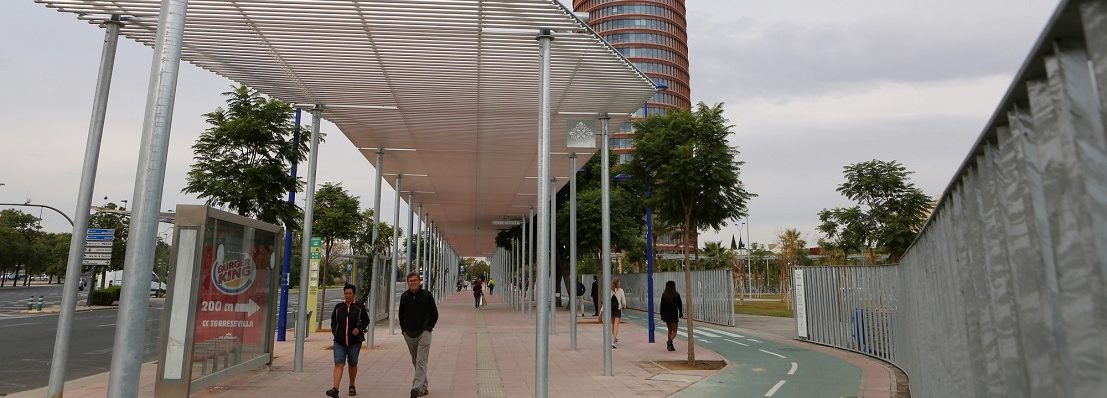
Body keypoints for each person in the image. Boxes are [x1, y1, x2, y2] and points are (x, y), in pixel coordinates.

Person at [326, 284, 369, 397]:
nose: (348, 296)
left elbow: (366, 320)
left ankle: (352, 385)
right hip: (340, 342)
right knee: (339, 363)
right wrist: (336, 333)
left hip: (354, 342)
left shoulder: (359, 307)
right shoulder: (338, 307)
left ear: (354, 294)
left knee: (352, 363)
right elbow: (333, 322)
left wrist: (359, 329)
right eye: (346, 294)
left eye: (350, 293)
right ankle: (335, 389)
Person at [400, 272, 438, 398]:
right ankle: (424, 387)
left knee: (421, 360)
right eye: (411, 281)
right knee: (415, 361)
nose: (413, 282)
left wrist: (429, 328)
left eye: (415, 280)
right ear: (408, 283)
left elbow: (435, 314)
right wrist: (403, 330)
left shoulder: (427, 295)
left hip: (424, 333)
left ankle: (416, 388)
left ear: (419, 281)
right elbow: (401, 315)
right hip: (409, 334)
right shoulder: (404, 297)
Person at [659, 280, 684, 352]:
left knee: (669, 330)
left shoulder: (664, 295)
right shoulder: (676, 295)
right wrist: (681, 312)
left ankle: (670, 346)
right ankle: (669, 341)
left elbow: (662, 306)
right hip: (673, 314)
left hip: (666, 315)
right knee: (675, 331)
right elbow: (680, 305)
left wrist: (662, 315)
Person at [610, 278, 626, 348]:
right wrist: (624, 306)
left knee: (613, 325)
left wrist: (601, 311)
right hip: (617, 309)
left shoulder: (610, 290)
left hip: (611, 309)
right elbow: (624, 301)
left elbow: (606, 301)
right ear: (618, 283)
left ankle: (614, 338)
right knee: (616, 325)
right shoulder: (621, 290)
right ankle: (613, 341)